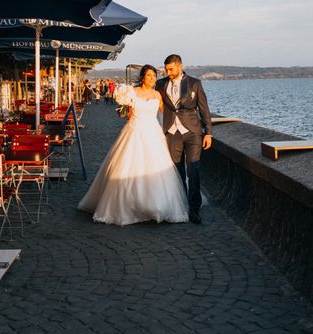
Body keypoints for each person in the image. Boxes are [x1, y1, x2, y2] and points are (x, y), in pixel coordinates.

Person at [78, 65, 188, 225]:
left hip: (153, 133)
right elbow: (124, 112)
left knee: (156, 167)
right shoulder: (132, 92)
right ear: (142, 77)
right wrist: (125, 112)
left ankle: (156, 206)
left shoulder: (157, 95)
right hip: (134, 131)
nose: (151, 78)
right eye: (148, 75)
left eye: (154, 75)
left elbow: (168, 114)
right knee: (127, 165)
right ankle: (128, 207)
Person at [156, 54, 213, 224]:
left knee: (193, 170)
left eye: (170, 69)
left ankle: (194, 209)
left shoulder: (195, 83)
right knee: (176, 170)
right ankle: (180, 205)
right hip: (171, 132)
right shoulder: (160, 84)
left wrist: (208, 132)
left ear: (179, 66)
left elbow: (204, 109)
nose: (167, 72)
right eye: (166, 69)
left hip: (192, 132)